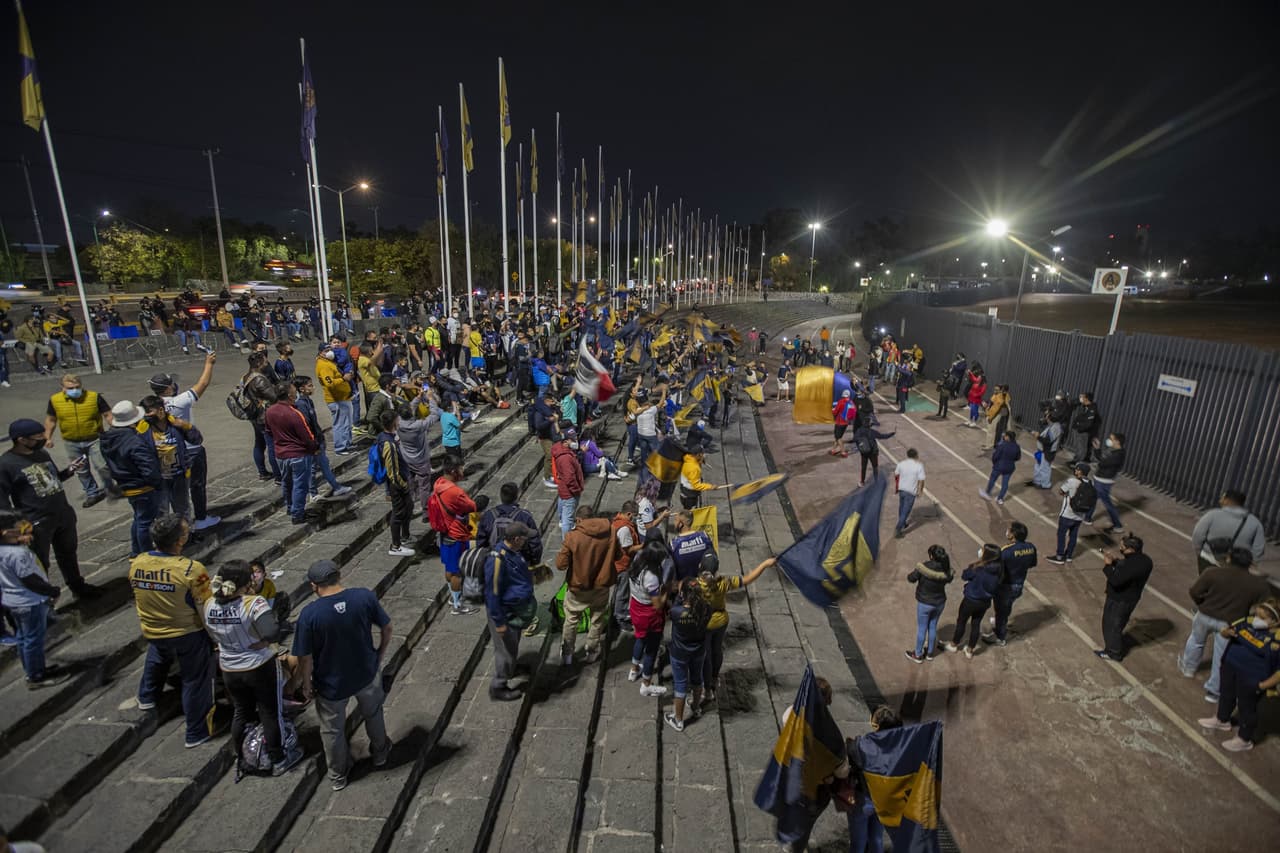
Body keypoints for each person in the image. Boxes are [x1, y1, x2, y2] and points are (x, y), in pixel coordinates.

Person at [291, 560, 393, 791]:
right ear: (339, 575)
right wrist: (379, 655)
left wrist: (306, 684)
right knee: (374, 714)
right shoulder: (363, 597)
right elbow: (387, 628)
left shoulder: (310, 614)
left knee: (332, 730)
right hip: (366, 673)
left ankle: (338, 775)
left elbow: (305, 658)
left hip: (331, 682)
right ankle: (380, 753)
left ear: (313, 586)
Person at [203, 560, 303, 776]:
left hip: (230, 667)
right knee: (270, 712)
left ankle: (243, 758)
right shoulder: (253, 603)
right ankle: (278, 759)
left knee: (241, 713)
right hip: (258, 666)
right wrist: (264, 643)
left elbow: (212, 634)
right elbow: (272, 632)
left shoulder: (209, 604)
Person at [128, 513, 217, 746]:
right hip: (186, 633)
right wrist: (215, 638)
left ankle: (147, 696)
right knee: (195, 680)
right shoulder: (191, 570)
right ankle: (196, 731)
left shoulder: (137, 563)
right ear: (180, 541)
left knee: (157, 657)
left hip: (153, 628)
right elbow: (204, 608)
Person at [0, 419, 100, 598]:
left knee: (68, 553)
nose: (43, 439)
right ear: (21, 439)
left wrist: (69, 471)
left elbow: (51, 480)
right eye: (38, 436)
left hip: (62, 513)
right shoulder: (6, 464)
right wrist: (15, 525)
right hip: (36, 521)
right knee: (39, 562)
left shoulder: (41, 454)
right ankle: (43, 599)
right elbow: (2, 500)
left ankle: (77, 586)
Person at [1179, 546, 1270, 703]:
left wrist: (1202, 603)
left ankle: (1188, 669)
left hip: (1205, 615)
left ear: (1229, 558)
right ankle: (1213, 692)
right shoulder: (1258, 585)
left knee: (1196, 641)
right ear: (1250, 564)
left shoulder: (1212, 572)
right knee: (1221, 656)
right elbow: (1265, 608)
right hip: (1230, 624)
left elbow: (1194, 591)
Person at [1197, 598, 1280, 753]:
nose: (1256, 619)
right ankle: (1222, 720)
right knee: (1226, 695)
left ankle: (1244, 739)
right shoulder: (1247, 621)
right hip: (1231, 667)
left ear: (1275, 622)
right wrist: (1226, 632)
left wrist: (1262, 685)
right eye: (1257, 614)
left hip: (1252, 678)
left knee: (1247, 708)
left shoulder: (1277, 640)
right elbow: (1226, 631)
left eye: (1262, 618)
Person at [151, 352, 221, 530]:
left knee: (172, 488)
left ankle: (172, 521)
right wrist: (209, 364)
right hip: (190, 449)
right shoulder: (179, 401)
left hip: (166, 450)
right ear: (168, 388)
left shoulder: (149, 407)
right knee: (197, 485)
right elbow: (202, 384)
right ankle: (199, 518)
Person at [0, 509, 69, 688]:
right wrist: (51, 591)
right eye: (20, 529)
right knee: (33, 639)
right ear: (6, 533)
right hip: (29, 602)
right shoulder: (18, 554)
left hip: (12, 600)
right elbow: (30, 580)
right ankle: (36, 676)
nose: (25, 532)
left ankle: (32, 670)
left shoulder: (4, 551)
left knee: (23, 638)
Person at [698, 555, 776, 698]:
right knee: (717, 650)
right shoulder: (723, 583)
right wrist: (764, 564)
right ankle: (714, 680)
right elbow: (748, 579)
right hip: (721, 621)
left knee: (706, 656)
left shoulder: (695, 585)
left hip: (704, 624)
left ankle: (706, 689)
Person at [100, 402, 165, 558]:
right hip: (142, 486)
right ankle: (145, 554)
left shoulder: (108, 438)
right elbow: (148, 468)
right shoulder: (134, 441)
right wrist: (157, 483)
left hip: (126, 484)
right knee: (145, 523)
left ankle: (136, 552)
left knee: (139, 519)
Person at [555, 505, 618, 666]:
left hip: (578, 587)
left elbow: (560, 565)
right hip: (602, 585)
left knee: (571, 620)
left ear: (579, 520)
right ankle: (592, 650)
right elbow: (618, 555)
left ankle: (568, 653)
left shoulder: (572, 537)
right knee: (597, 619)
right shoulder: (610, 531)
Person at [483, 522, 538, 702]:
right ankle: (498, 686)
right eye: (524, 538)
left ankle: (512, 668)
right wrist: (499, 622)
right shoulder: (497, 560)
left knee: (512, 645)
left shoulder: (514, 553)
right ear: (515, 539)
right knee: (504, 650)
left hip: (516, 610)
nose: (526, 541)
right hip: (505, 613)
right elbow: (492, 594)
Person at [42, 373, 116, 508]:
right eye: (70, 388)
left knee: (102, 466)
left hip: (94, 438)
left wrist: (117, 429)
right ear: (62, 387)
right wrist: (47, 437)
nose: (74, 390)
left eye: (77, 387)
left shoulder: (94, 397)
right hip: (71, 442)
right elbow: (51, 420)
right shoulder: (55, 400)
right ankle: (92, 493)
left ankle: (110, 488)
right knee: (82, 470)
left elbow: (108, 414)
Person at [844, 706, 902, 853]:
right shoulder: (901, 748)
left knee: (858, 841)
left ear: (875, 725)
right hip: (884, 800)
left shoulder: (861, 745)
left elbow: (850, 751)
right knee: (876, 837)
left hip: (863, 800)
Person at [1094, 533, 1154, 661]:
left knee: (1111, 625)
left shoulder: (1131, 565)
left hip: (1119, 599)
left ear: (1131, 549)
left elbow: (1116, 580)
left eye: (1122, 547)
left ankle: (1113, 652)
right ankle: (1115, 646)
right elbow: (1129, 569)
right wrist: (1117, 562)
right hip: (1131, 598)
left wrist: (1108, 565)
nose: (1120, 549)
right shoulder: (1146, 560)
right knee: (1119, 623)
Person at [264, 382, 317, 526]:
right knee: (300, 485)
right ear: (289, 395)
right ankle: (298, 513)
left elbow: (268, 431)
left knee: (287, 484)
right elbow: (307, 436)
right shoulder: (294, 413)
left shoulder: (270, 411)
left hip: (281, 455)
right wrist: (313, 448)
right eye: (294, 391)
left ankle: (290, 507)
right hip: (298, 454)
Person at [292, 376, 353, 500]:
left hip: (317, 440)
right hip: (313, 442)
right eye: (309, 385)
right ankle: (323, 490)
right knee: (318, 466)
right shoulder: (301, 405)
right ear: (301, 389)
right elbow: (307, 425)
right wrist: (314, 442)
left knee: (318, 466)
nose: (312, 387)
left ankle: (321, 490)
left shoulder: (308, 401)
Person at [665, 577, 712, 733]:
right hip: (698, 650)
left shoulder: (677, 612)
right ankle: (696, 706)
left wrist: (678, 596)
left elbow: (673, 610)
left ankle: (678, 719)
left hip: (680, 652)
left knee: (680, 683)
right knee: (697, 679)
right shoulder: (706, 608)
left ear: (683, 594)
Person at [431, 455, 477, 615]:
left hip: (444, 532)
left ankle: (453, 595)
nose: (462, 471)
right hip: (456, 534)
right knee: (457, 571)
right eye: (460, 468)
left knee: (449, 567)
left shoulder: (438, 483)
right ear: (453, 470)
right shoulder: (455, 492)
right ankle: (458, 604)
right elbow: (472, 505)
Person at [139, 395, 195, 521]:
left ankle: (186, 535)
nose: (146, 415)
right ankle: (164, 537)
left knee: (182, 509)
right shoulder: (143, 428)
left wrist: (187, 426)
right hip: (159, 479)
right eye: (144, 413)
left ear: (160, 410)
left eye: (149, 412)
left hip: (179, 476)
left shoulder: (175, 425)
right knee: (161, 511)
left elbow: (197, 439)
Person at [985, 522, 1037, 647]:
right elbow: (1032, 564)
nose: (1007, 532)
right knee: (1007, 607)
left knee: (1001, 611)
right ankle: (1000, 623)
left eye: (1009, 530)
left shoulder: (1006, 551)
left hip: (1006, 585)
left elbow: (997, 568)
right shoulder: (1030, 547)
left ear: (1013, 534)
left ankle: (1000, 636)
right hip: (1019, 583)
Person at [945, 544, 1002, 658]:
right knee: (976, 624)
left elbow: (965, 575)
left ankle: (954, 644)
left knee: (961, 621)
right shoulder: (999, 570)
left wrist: (973, 565)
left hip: (971, 600)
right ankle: (970, 650)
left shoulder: (979, 569)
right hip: (984, 602)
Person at [1191, 489, 1265, 574]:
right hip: (1237, 566)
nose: (1220, 501)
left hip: (1209, 559)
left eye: (1222, 498)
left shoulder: (1212, 515)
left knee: (1207, 585)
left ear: (1228, 500)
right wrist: (1249, 563)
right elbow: (1258, 548)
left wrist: (1200, 553)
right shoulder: (1255, 522)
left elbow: (1198, 535)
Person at [376, 410, 415, 557]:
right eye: (397, 420)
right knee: (398, 513)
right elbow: (392, 470)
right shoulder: (388, 443)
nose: (399, 423)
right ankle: (395, 546)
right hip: (397, 484)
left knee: (408, 507)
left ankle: (405, 536)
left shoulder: (388, 437)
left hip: (401, 480)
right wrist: (402, 485)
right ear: (393, 422)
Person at [905, 545, 952, 663]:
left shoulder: (924, 567)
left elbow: (911, 578)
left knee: (922, 628)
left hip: (925, 603)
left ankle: (918, 654)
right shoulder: (946, 569)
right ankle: (930, 653)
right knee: (933, 626)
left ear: (931, 556)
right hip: (940, 602)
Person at [1046, 463, 1092, 564]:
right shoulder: (1090, 483)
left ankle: (1059, 556)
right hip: (1080, 515)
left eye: (1077, 469)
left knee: (1061, 535)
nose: (1075, 470)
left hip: (1068, 514)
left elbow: (1061, 491)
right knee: (1073, 535)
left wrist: (1068, 493)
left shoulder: (1072, 481)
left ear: (1080, 471)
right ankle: (1069, 556)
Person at [316, 343, 355, 456]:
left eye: (330, 349)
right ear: (320, 352)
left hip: (343, 397)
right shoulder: (323, 365)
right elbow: (329, 383)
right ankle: (340, 448)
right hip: (336, 399)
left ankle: (347, 443)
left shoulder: (329, 362)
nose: (329, 352)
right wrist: (343, 379)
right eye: (326, 350)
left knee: (347, 423)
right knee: (340, 424)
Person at [1085, 432, 1127, 533]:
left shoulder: (1118, 454)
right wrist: (1097, 448)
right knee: (1094, 498)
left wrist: (1098, 451)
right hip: (1100, 478)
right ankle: (1087, 518)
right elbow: (1101, 459)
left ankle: (1118, 525)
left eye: (1111, 439)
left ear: (1117, 441)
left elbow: (1103, 462)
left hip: (1104, 481)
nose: (1109, 440)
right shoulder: (1114, 451)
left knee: (1107, 503)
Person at [552, 428, 585, 535]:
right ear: (565, 442)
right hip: (569, 492)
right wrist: (577, 490)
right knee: (568, 519)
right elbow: (569, 478)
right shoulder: (565, 458)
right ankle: (567, 543)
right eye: (573, 439)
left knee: (564, 509)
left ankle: (562, 521)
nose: (576, 441)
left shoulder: (564, 451)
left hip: (564, 489)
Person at [669, 510, 715, 581]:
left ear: (681, 524)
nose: (674, 523)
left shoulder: (674, 545)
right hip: (703, 582)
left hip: (684, 585)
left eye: (675, 520)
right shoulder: (705, 537)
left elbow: (671, 569)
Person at [979, 430, 1021, 506]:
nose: (1004, 437)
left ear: (1008, 437)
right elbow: (1018, 457)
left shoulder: (1002, 445)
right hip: (1010, 467)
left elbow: (995, 456)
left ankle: (987, 493)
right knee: (1005, 484)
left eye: (1005, 436)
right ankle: (1000, 499)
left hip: (999, 466)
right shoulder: (1017, 447)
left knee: (993, 479)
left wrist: (995, 463)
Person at [893, 448, 925, 537]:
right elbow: (921, 480)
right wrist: (920, 490)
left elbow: (896, 474)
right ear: (916, 455)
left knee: (901, 507)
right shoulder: (919, 466)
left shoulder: (901, 464)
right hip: (911, 491)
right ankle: (898, 529)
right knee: (905, 511)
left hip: (902, 489)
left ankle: (902, 523)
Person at [1068, 391, 1102, 465]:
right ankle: (1082, 459)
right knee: (1080, 446)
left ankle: (1076, 462)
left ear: (1086, 399)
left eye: (1082, 397)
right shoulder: (1085, 406)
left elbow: (1088, 423)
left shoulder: (1092, 409)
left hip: (1083, 431)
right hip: (1081, 429)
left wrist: (1080, 429)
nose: (1080, 398)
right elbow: (1072, 403)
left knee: (1081, 447)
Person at [983, 384, 1011, 449]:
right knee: (991, 430)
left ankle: (989, 445)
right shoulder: (996, 396)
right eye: (994, 389)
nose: (995, 391)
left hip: (995, 416)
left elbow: (998, 409)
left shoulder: (1002, 397)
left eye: (997, 390)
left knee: (991, 430)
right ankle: (990, 443)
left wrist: (991, 418)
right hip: (991, 414)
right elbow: (991, 404)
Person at [831, 390, 857, 457]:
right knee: (837, 436)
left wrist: (832, 410)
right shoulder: (851, 402)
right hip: (846, 422)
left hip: (839, 422)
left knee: (838, 437)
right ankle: (833, 450)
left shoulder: (841, 402)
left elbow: (835, 412)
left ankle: (843, 452)